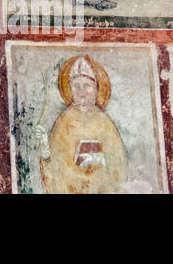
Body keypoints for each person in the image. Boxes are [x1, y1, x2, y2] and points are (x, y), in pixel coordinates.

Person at [41, 54, 127, 194]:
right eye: (76, 86)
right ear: (70, 88)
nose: (81, 91)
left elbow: (118, 164)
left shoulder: (104, 122)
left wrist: (100, 177)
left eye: (86, 85)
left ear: (96, 88)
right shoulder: (64, 121)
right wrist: (46, 153)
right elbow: (56, 166)